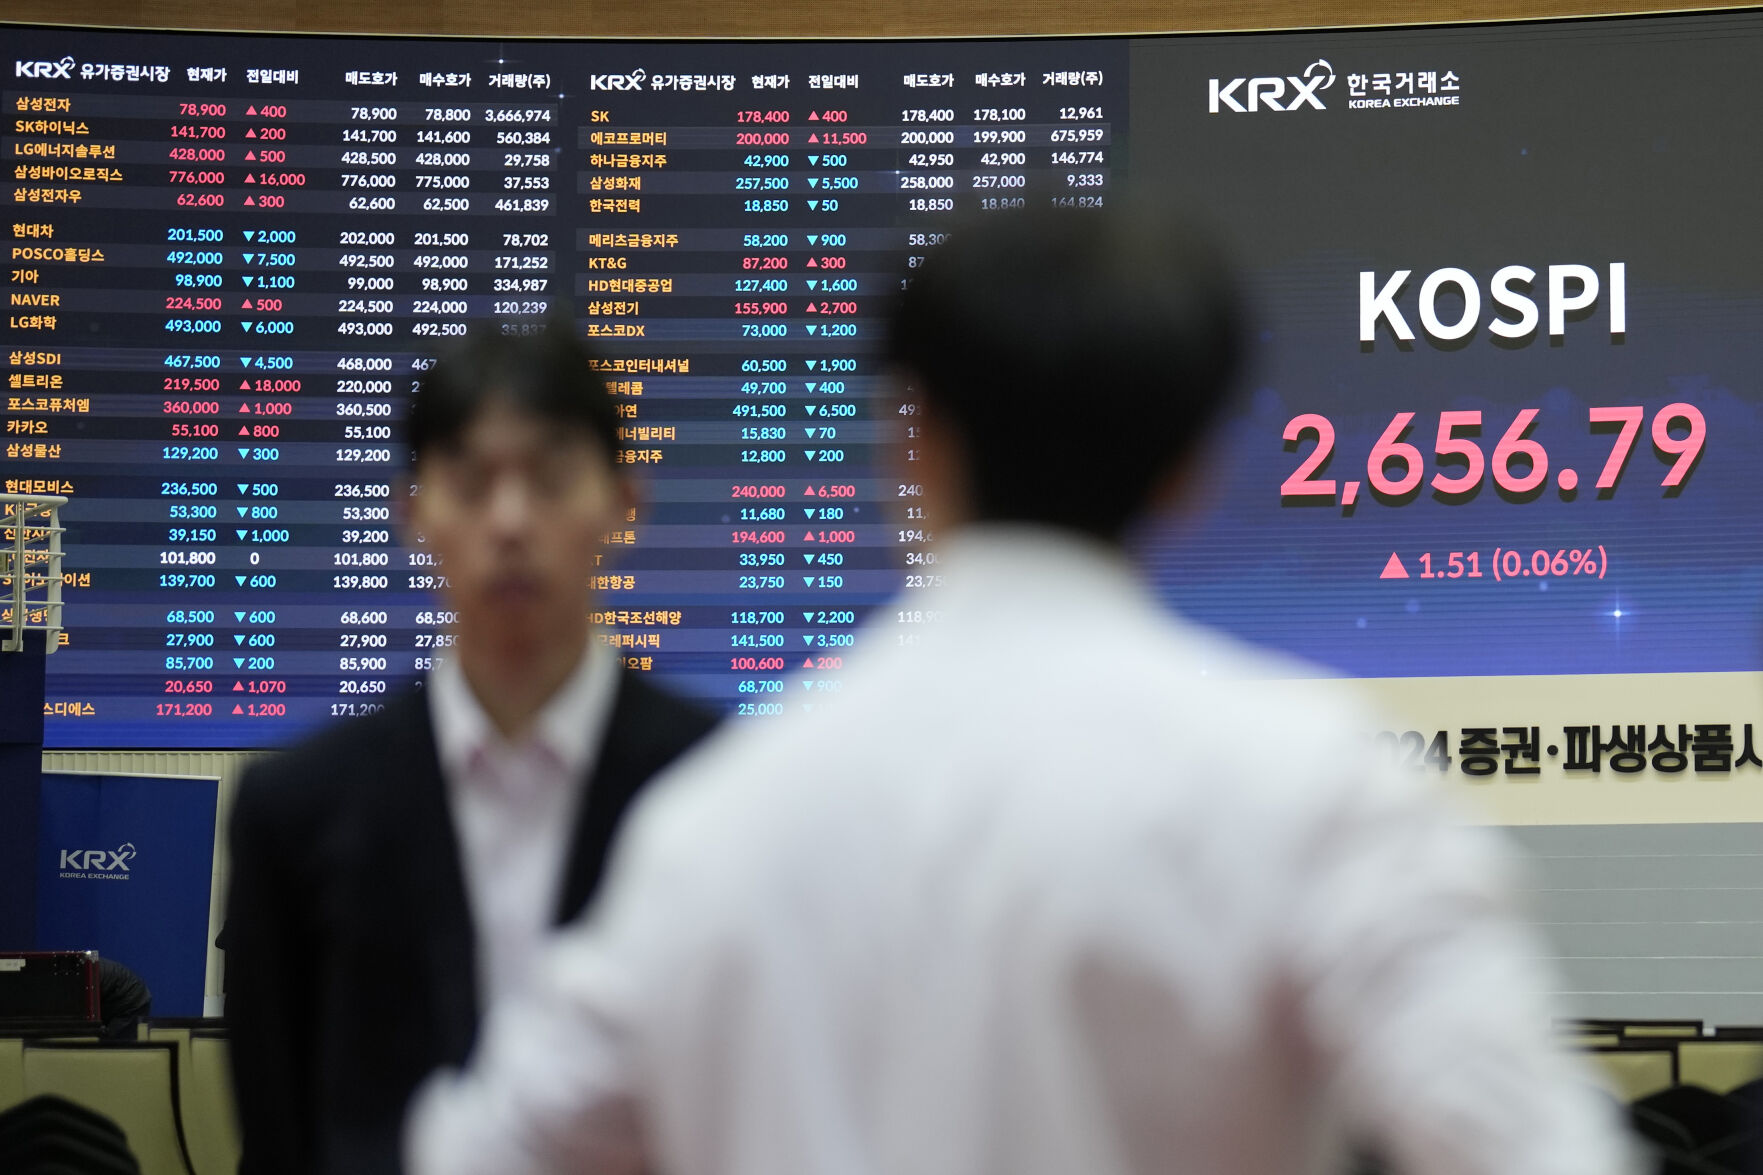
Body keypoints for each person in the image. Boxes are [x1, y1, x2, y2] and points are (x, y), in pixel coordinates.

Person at [405, 209, 1638, 1175]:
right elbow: (1531, 1144)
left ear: (913, 439)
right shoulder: (1317, 783)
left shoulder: (716, 813)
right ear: (1190, 470)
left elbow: (485, 1150)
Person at [224, 328, 716, 1174]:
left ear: (623, 502)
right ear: (413, 511)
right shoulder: (294, 812)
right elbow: (281, 1139)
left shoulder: (721, 790)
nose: (511, 520)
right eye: (470, 481)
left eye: (551, 476)